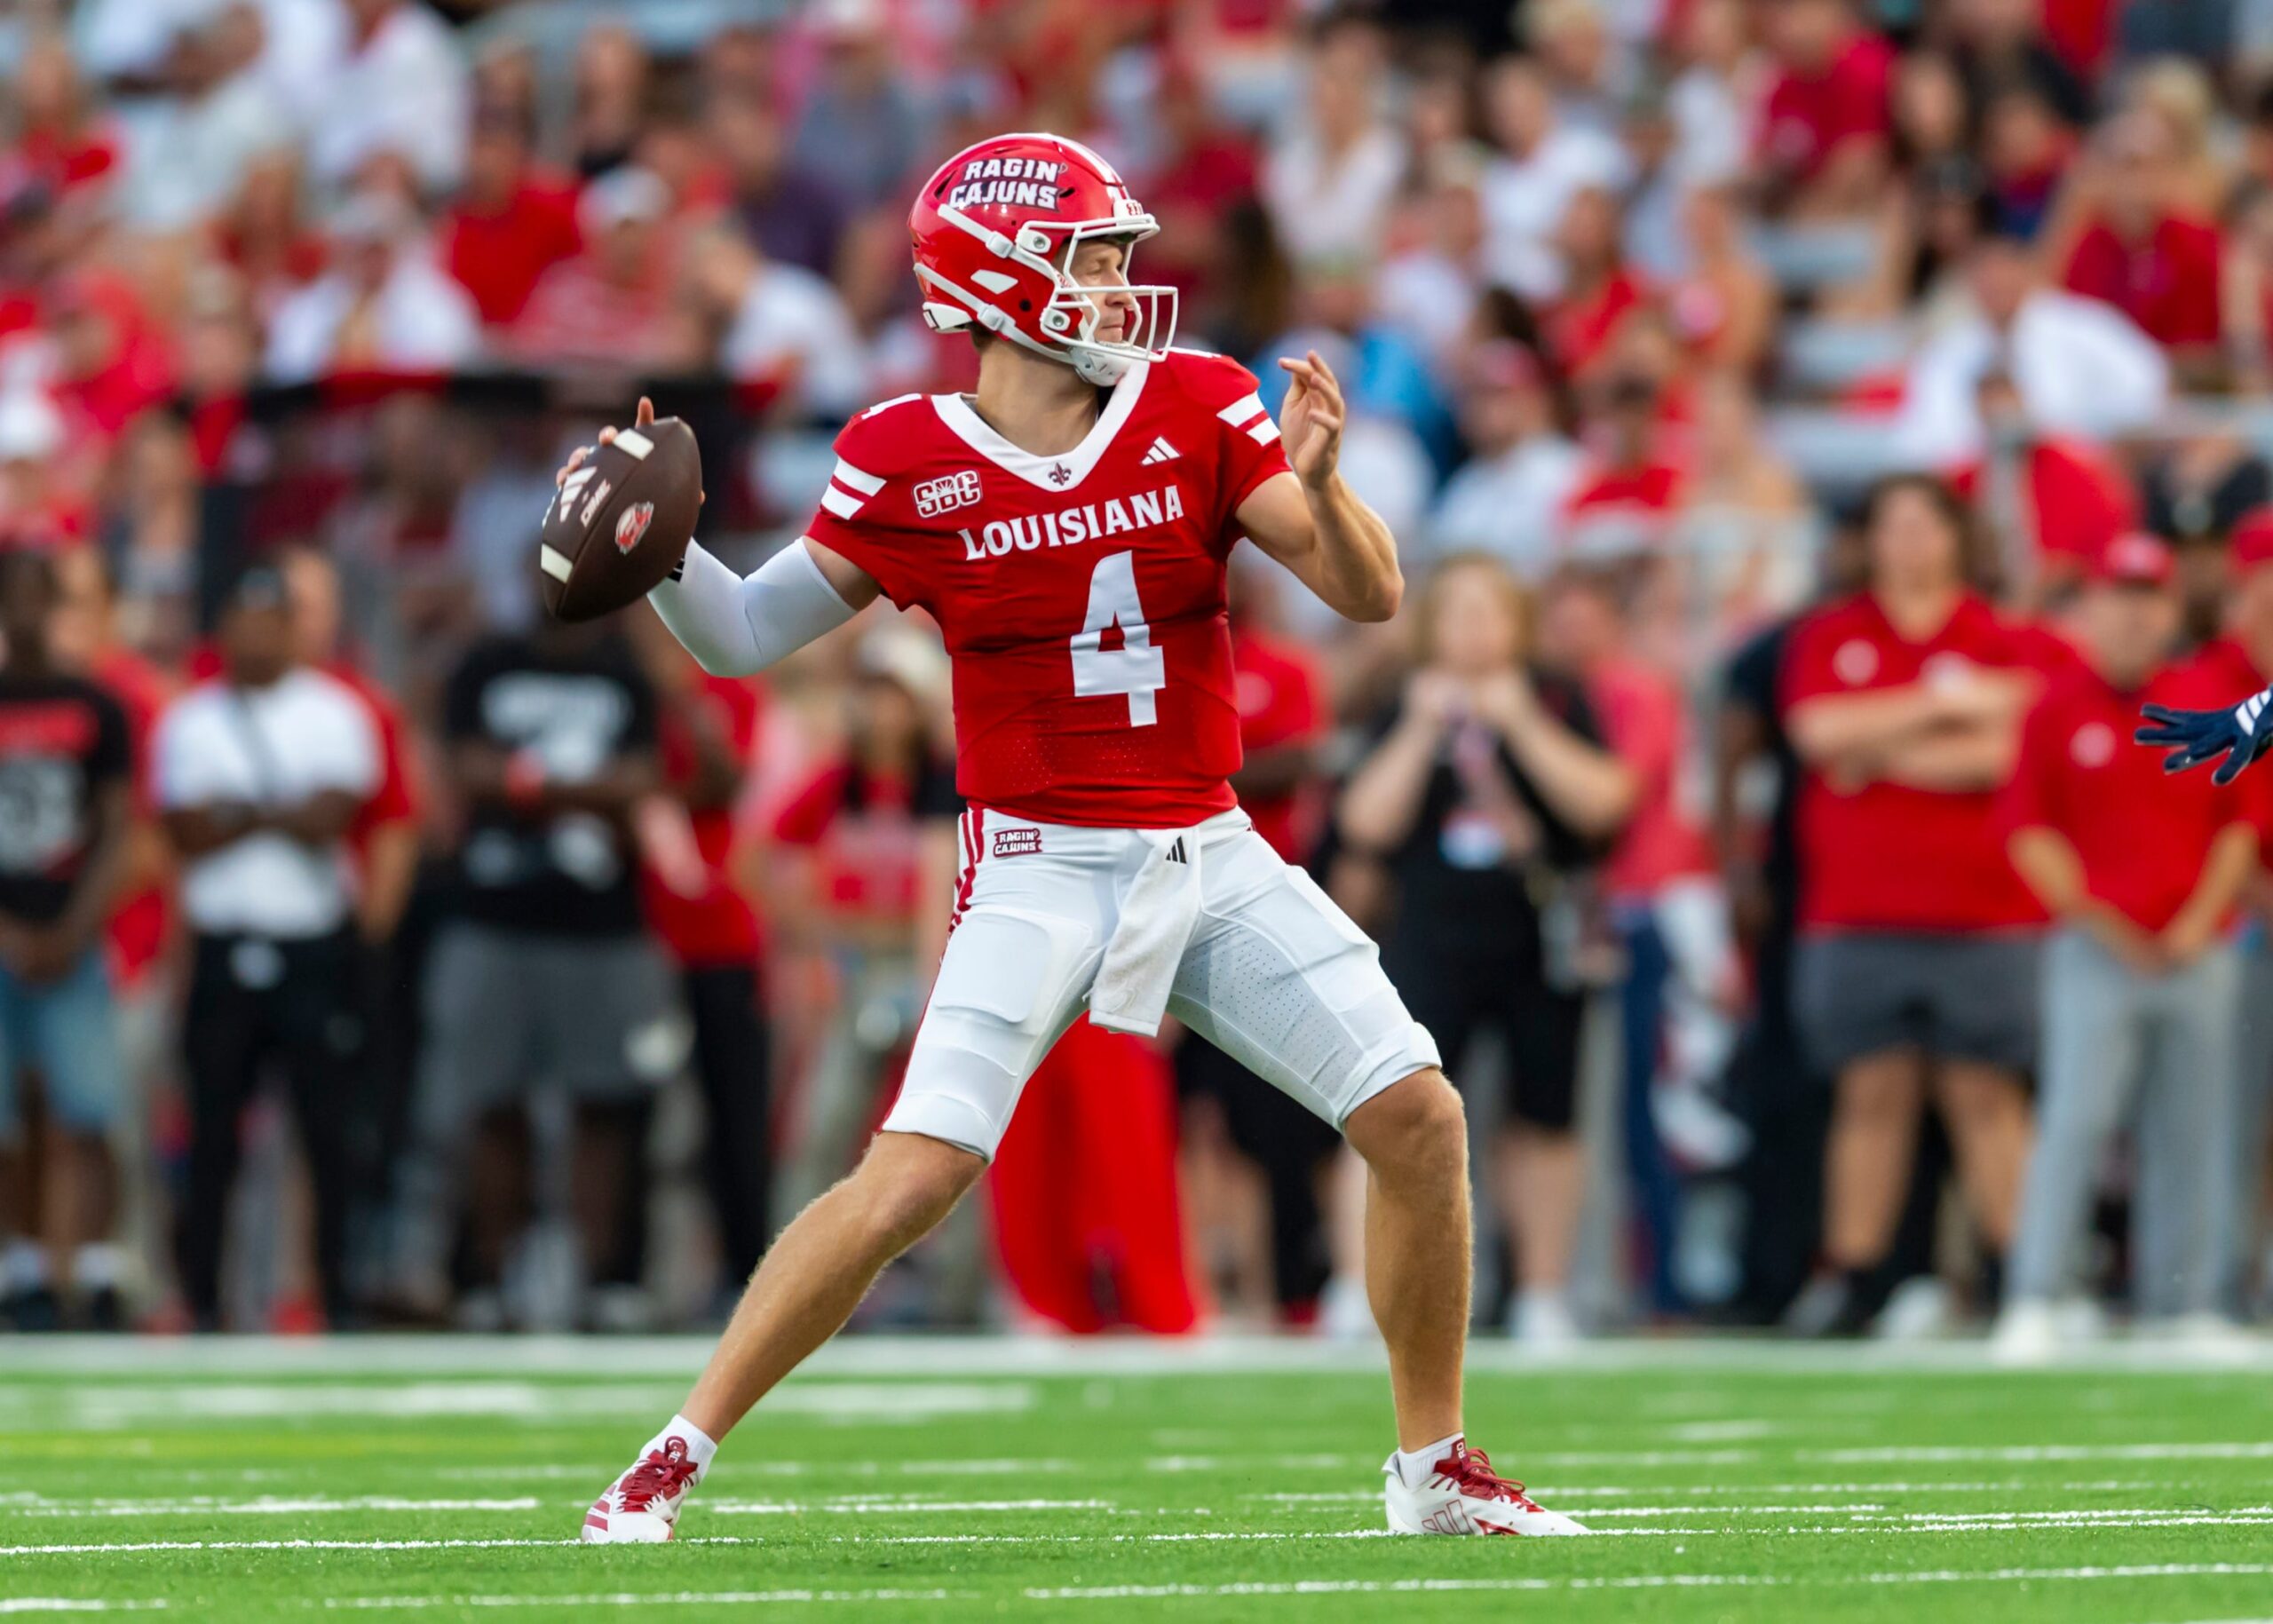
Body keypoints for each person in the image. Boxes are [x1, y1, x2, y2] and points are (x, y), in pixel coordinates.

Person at [580, 131, 1586, 1542]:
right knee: (910, 1177)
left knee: (1419, 1115)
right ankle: (668, 1457)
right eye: (1095, 259)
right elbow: (748, 634)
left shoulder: (1198, 403)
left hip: (1208, 843)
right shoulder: (902, 454)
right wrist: (663, 556)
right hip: (1038, 861)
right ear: (1000, 278)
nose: (1123, 288)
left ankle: (1433, 1467)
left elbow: (1367, 596)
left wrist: (1329, 482)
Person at [1339, 556, 1634, 1344]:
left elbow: (1606, 802)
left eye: (1490, 610)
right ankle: (1359, 1286)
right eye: (1458, 610)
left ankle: (1542, 1291)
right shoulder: (1405, 697)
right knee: (1389, 1111)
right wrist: (1417, 729)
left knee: (1544, 1116)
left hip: (1538, 934)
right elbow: (1364, 821)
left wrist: (1521, 724)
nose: (1473, 627)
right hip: (1428, 933)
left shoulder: (1556, 695)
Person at [1780, 475, 2048, 1336]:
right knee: (1870, 1088)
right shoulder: (1832, 632)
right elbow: (1817, 735)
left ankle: (2021, 1273)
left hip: (1986, 906)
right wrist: (1942, 708)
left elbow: (2008, 749)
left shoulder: (2002, 633)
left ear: (1955, 537)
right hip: (1857, 906)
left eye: (1924, 525)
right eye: (1891, 525)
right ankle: (1856, 1274)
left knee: (1985, 1089)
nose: (1908, 542)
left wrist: (1879, 751)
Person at [1997, 535, 2256, 1359]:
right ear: (2094, 606)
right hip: (2096, 947)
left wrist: (2194, 924)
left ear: (2172, 610)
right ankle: (2037, 1292)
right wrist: (2104, 919)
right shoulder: (2056, 706)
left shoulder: (2206, 698)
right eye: (2121, 594)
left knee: (2194, 1125)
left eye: (2151, 597)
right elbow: (2030, 833)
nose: (2136, 612)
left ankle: (2180, 1302)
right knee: (2075, 1117)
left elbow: (2241, 829)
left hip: (2197, 950)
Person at [400, 598, 678, 1333]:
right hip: (494, 916)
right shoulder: (488, 659)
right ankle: (490, 1274)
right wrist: (582, 792)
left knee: (605, 1105)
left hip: (602, 926)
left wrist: (525, 787)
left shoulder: (625, 670)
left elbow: (642, 779)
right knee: (491, 1103)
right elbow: (466, 770)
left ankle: (601, 1276)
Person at [154, 566, 379, 1331]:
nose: (254, 635)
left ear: (292, 627)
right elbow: (185, 829)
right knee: (213, 1130)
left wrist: (239, 812)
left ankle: (335, 1290)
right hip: (224, 943)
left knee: (326, 1128)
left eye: (267, 620)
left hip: (313, 943)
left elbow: (335, 815)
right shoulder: (191, 719)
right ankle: (206, 1295)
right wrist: (281, 811)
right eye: (240, 621)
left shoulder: (336, 711)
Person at [0, 549, 135, 1331]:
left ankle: (95, 1262)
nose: (20, 613)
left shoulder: (95, 703)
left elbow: (116, 829)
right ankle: (23, 1264)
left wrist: (71, 926)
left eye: (31, 596)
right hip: (8, 930)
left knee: (90, 1105)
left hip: (70, 931)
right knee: (9, 1115)